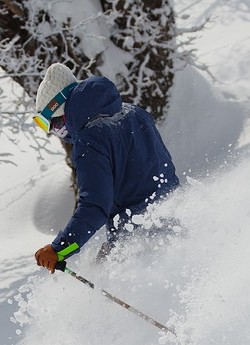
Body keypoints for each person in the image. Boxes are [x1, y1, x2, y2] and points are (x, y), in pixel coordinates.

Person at [32, 63, 179, 273]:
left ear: (62, 111)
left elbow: (95, 205)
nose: (58, 132)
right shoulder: (135, 113)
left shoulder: (90, 138)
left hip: (137, 234)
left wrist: (59, 249)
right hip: (172, 215)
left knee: (102, 282)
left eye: (53, 125)